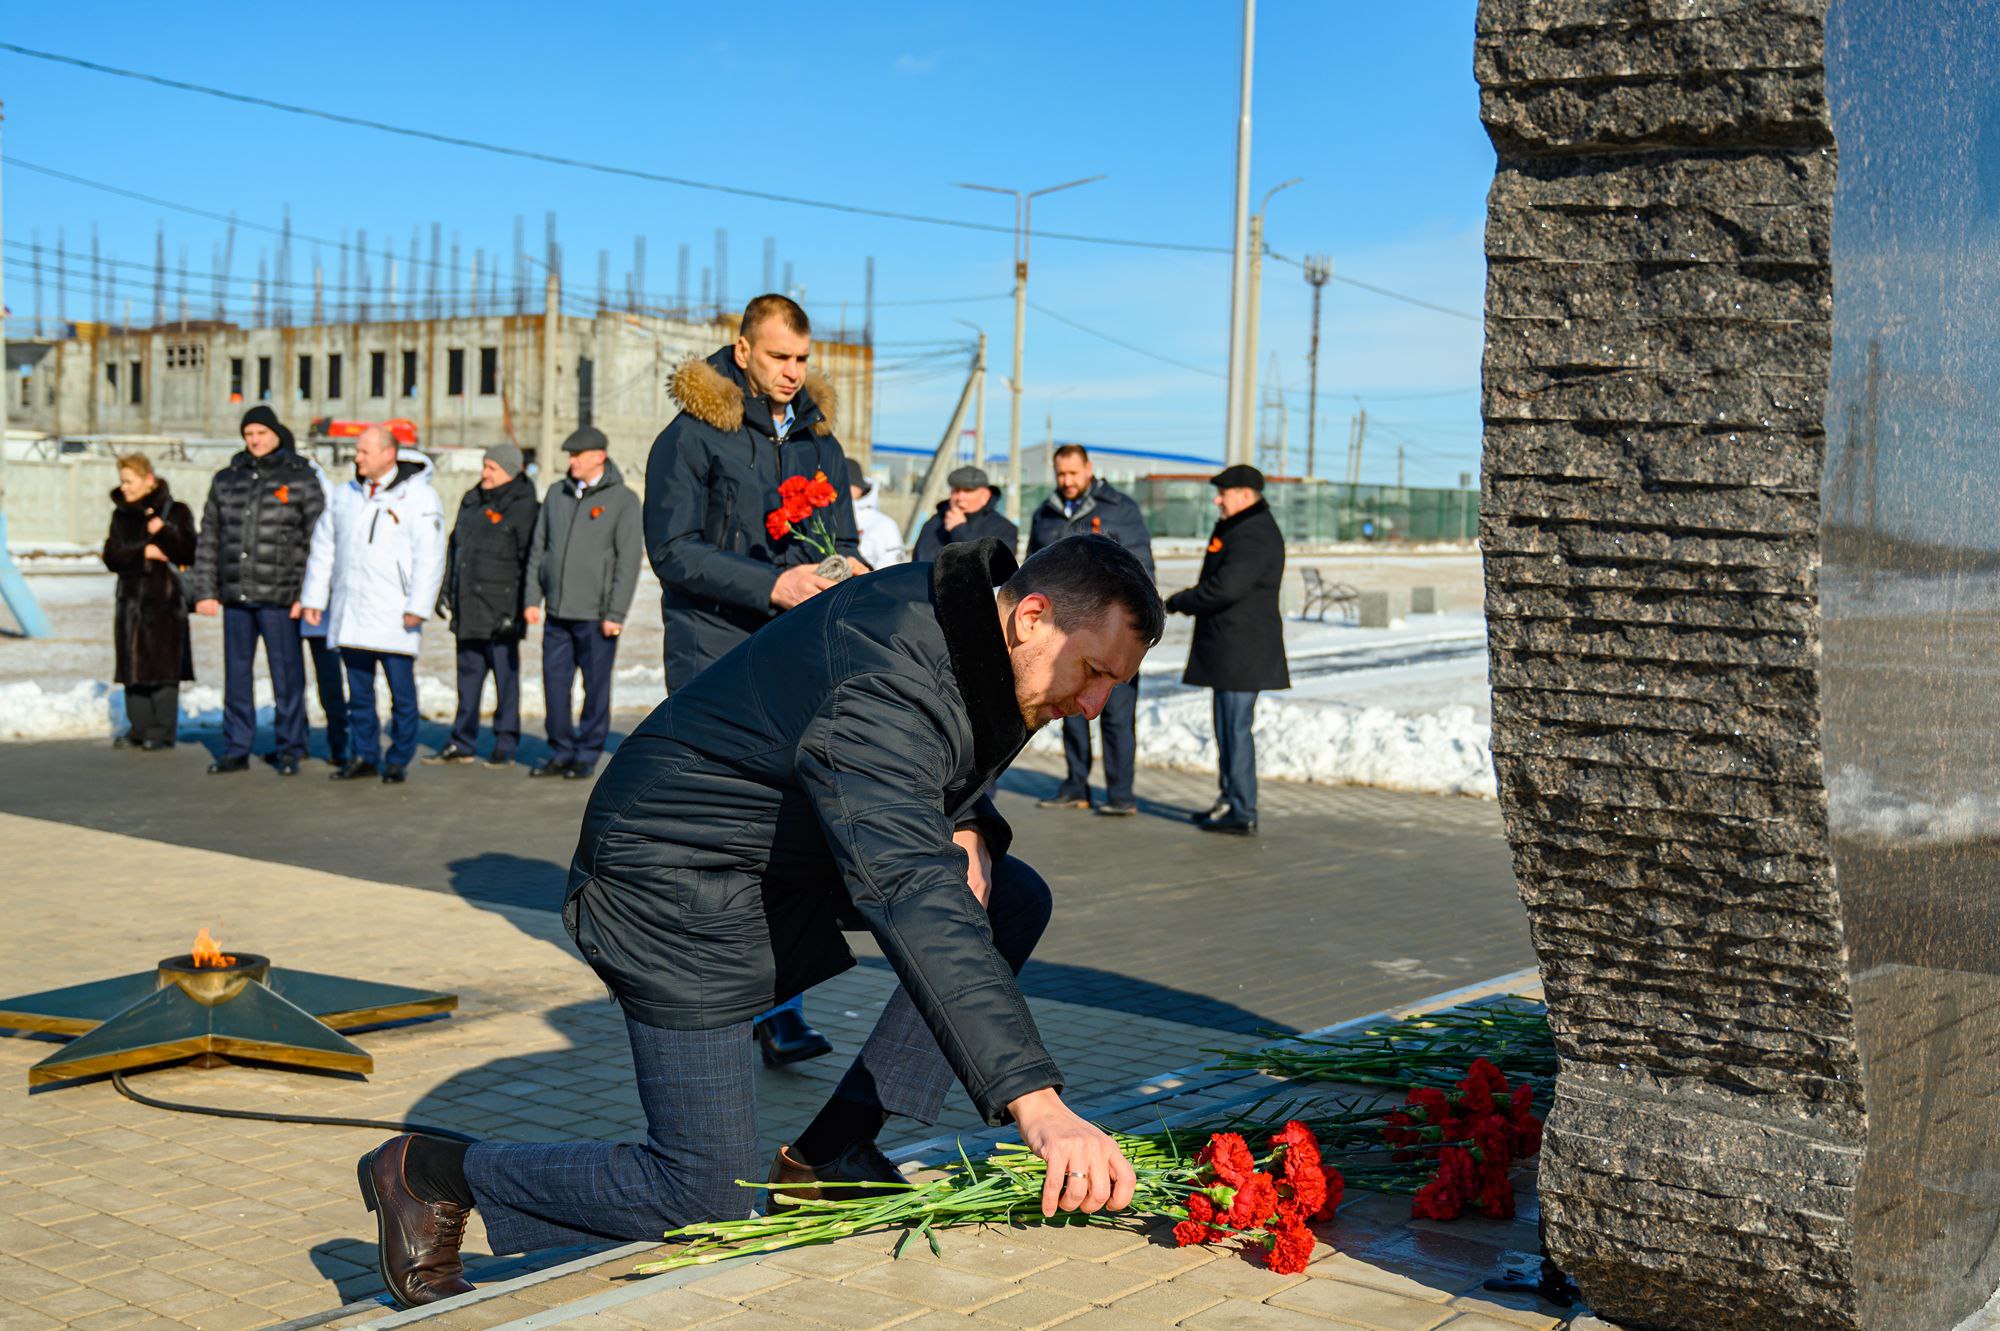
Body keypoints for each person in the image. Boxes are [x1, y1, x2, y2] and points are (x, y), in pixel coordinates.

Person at [353, 536, 1163, 1308]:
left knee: (1008, 894)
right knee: (702, 1192)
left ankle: (829, 1153)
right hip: (671, 878)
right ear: (1032, 617)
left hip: (768, 855)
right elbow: (908, 883)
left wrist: (972, 824)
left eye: (1114, 686)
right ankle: (431, 1174)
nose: (1094, 705)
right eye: (1093, 671)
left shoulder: (971, 634)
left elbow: (931, 760)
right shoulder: (891, 666)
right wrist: (1035, 1101)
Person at [645, 292, 864, 1065]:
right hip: (714, 655)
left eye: (802, 358)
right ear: (742, 351)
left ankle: (780, 1003)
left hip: (795, 654)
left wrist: (843, 568)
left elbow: (839, 536)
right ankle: (706, 994)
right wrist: (772, 584)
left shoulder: (818, 438)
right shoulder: (691, 434)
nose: (792, 372)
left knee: (790, 832)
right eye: (778, 356)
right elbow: (673, 550)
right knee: (722, 835)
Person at [301, 426, 446, 785]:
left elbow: (430, 556)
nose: (357, 457)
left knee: (401, 693)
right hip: (352, 611)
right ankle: (364, 754)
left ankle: (398, 758)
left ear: (388, 454)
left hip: (396, 613)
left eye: (364, 451)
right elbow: (324, 548)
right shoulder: (345, 494)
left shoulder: (419, 497)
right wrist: (314, 598)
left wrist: (419, 606)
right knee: (359, 693)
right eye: (358, 451)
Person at [190, 406, 326, 776]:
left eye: (261, 433)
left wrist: (307, 594)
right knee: (236, 675)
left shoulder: (300, 477)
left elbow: (318, 539)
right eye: (249, 433)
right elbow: (210, 537)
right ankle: (236, 747)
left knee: (287, 675)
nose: (254, 440)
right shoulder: (226, 479)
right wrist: (205, 590)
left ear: (276, 434)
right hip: (237, 594)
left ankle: (291, 746)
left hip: (281, 597)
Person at [1026, 444, 1156, 816]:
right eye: (1060, 474)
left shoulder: (1119, 509)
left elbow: (1142, 571)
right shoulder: (1045, 513)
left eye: (1073, 473)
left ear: (1088, 469)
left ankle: (1120, 794)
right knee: (1067, 708)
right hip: (1061, 636)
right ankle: (1076, 786)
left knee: (1116, 714)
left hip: (1112, 636)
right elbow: (1032, 568)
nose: (1066, 481)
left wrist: (1134, 632)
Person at [1165, 465, 1290, 836]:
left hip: (1244, 652)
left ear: (1246, 495)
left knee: (1235, 730)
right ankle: (1229, 799)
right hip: (1229, 649)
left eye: (1224, 493)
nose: (1217, 500)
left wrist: (1181, 600)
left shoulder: (1255, 533)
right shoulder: (1237, 526)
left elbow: (1225, 588)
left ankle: (1242, 809)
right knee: (1226, 729)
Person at [524, 427, 642, 781]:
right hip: (557, 613)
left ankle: (587, 753)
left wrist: (616, 613)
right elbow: (539, 548)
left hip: (596, 616)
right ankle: (560, 751)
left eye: (577, 455)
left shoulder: (623, 500)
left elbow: (628, 560)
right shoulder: (556, 494)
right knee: (554, 686)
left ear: (599, 456)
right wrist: (532, 598)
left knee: (595, 689)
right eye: (570, 455)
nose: (571, 461)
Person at [428, 443, 539, 768]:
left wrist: (520, 607)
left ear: (511, 471)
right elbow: (456, 548)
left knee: (505, 682)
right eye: (484, 466)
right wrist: (446, 589)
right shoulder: (472, 499)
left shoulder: (525, 506)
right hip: (469, 607)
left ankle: (505, 743)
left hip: (502, 611)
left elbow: (529, 562)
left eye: (492, 468)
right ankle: (462, 741)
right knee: (467, 680)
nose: (484, 473)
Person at [102, 454, 197, 751]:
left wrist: (164, 531)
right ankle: (139, 728)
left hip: (165, 603)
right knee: (132, 669)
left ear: (148, 480)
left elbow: (189, 550)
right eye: (122, 481)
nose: (125, 487)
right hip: (131, 602)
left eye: (130, 481)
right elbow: (112, 555)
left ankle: (163, 730)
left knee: (164, 669)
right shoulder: (121, 515)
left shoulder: (176, 511)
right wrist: (143, 552)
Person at [298, 451, 349, 769]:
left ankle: (339, 742)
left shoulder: (324, 492)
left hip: (320, 604)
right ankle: (295, 741)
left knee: (329, 679)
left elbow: (329, 551)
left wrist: (318, 595)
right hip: (289, 599)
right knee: (291, 680)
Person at [913, 465, 1017, 561]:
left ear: (985, 495)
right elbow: (917, 562)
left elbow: (996, 567)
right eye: (956, 491)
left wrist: (959, 529)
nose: (960, 497)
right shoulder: (934, 523)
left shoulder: (1004, 528)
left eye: (968, 491)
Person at [849, 464, 906, 571]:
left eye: (849, 483)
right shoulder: (822, 518)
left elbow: (893, 570)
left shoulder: (885, 524)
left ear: (860, 487)